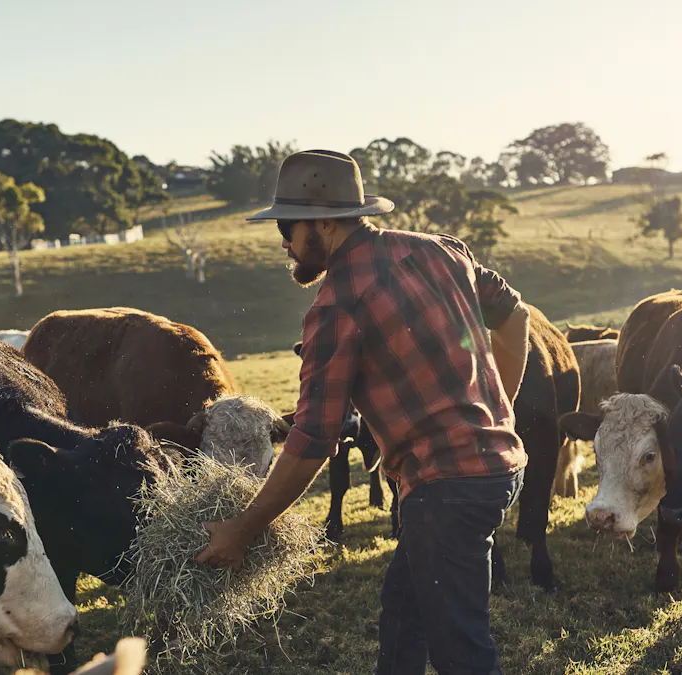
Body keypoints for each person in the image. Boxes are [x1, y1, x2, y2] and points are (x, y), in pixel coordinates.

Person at [195, 149, 530, 675]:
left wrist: (244, 528)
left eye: (289, 225)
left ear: (325, 224)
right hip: (496, 468)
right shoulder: (443, 251)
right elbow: (515, 319)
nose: (282, 240)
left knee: (461, 650)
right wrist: (499, 412)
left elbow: (312, 439)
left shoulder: (336, 306)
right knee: (403, 615)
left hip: (448, 489)